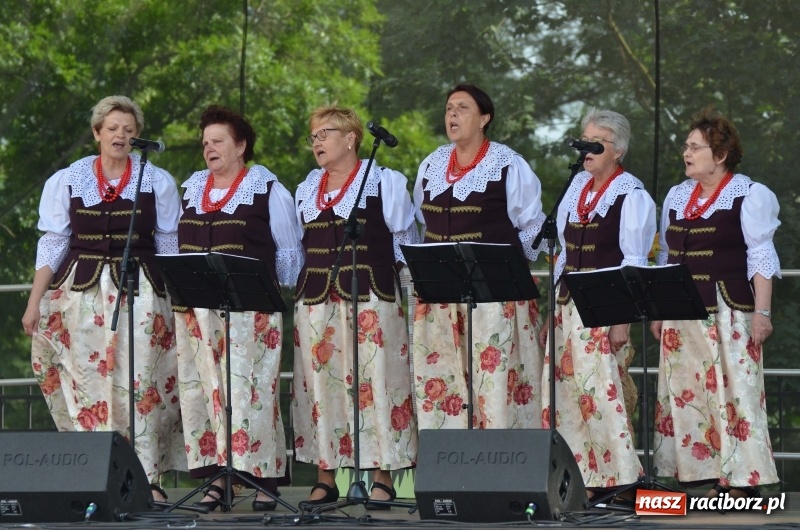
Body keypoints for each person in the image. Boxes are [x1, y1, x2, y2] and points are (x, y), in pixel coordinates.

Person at [22, 95, 185, 502]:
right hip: (83, 295)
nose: (121, 135)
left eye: (129, 130)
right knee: (88, 383)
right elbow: (54, 243)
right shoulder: (68, 179)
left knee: (143, 383)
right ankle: (96, 478)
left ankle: (149, 481)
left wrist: (178, 300)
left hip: (143, 293)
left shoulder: (156, 181)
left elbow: (168, 245)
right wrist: (33, 301)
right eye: (113, 128)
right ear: (97, 133)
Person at [173, 105, 304, 512]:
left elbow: (289, 254)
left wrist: (267, 288)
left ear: (241, 145)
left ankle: (264, 479)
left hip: (251, 312)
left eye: (218, 141)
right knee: (203, 393)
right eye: (205, 142)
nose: (209, 148)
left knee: (252, 394)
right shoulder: (193, 188)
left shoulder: (268, 189)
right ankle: (218, 478)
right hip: (198, 310)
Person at [291, 105, 418, 510]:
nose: (317, 143)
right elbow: (297, 248)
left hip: (372, 299)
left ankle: (384, 475)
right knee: (320, 387)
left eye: (325, 134)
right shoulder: (307, 187)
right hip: (317, 302)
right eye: (313, 137)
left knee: (381, 383)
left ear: (351, 139)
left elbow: (405, 240)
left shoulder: (385, 181)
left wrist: (409, 298)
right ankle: (325, 476)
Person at [650, 107, 780, 499]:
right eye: (686, 146)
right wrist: (659, 309)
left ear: (720, 155)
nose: (686, 153)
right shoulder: (676, 196)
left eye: (695, 147)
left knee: (735, 391)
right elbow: (666, 257)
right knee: (686, 394)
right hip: (681, 314)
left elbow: (760, 256)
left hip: (729, 312)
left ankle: (743, 482)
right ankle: (698, 479)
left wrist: (762, 311)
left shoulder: (749, 194)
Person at [412, 84, 545, 430]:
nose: (452, 115)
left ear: (485, 118)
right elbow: (424, 220)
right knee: (445, 389)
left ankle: (502, 472)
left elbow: (531, 229)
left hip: (495, 299)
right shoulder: (431, 164)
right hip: (441, 299)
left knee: (495, 387)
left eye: (462, 108)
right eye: (448, 108)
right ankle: (451, 475)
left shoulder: (508, 165)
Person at [538, 108, 655, 496]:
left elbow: (633, 261)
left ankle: (621, 479)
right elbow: (562, 255)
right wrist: (550, 310)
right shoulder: (576, 189)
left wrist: (622, 320)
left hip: (606, 311)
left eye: (596, 142)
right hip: (568, 307)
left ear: (617, 150)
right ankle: (581, 482)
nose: (587, 148)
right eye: (584, 139)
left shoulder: (632, 195)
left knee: (603, 395)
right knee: (568, 398)